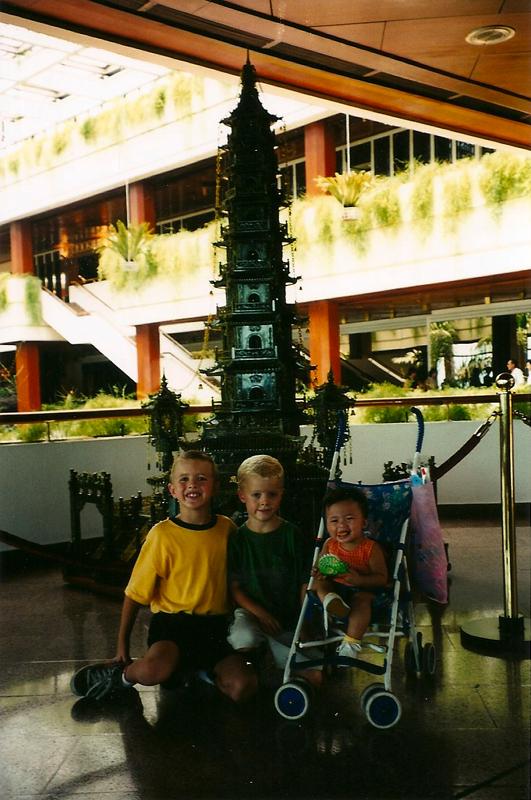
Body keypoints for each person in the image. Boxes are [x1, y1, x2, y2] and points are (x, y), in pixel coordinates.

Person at [70, 450, 257, 702]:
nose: (192, 484)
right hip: (172, 628)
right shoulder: (162, 535)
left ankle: (198, 672)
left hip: (215, 628)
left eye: (202, 478)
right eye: (184, 479)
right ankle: (120, 676)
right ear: (172, 490)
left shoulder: (227, 530)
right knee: (152, 671)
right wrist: (122, 646)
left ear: (216, 487)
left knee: (243, 686)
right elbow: (134, 594)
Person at [227, 454, 318, 684]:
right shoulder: (238, 539)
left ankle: (275, 658)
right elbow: (235, 588)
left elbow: (303, 582)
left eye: (272, 494)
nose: (265, 502)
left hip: (286, 614)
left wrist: (304, 620)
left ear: (281, 494)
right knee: (243, 637)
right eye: (256, 495)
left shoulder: (292, 535)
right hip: (252, 613)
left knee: (316, 671)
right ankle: (262, 659)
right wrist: (260, 613)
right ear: (242, 495)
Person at [312, 486, 389, 658]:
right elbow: (321, 565)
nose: (341, 525)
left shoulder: (370, 549)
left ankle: (351, 643)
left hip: (363, 589)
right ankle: (332, 602)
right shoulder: (329, 544)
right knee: (318, 584)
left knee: (361, 601)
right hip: (337, 588)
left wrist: (360, 580)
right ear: (326, 524)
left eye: (349, 519)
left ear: (364, 523)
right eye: (334, 520)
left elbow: (382, 578)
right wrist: (318, 571)